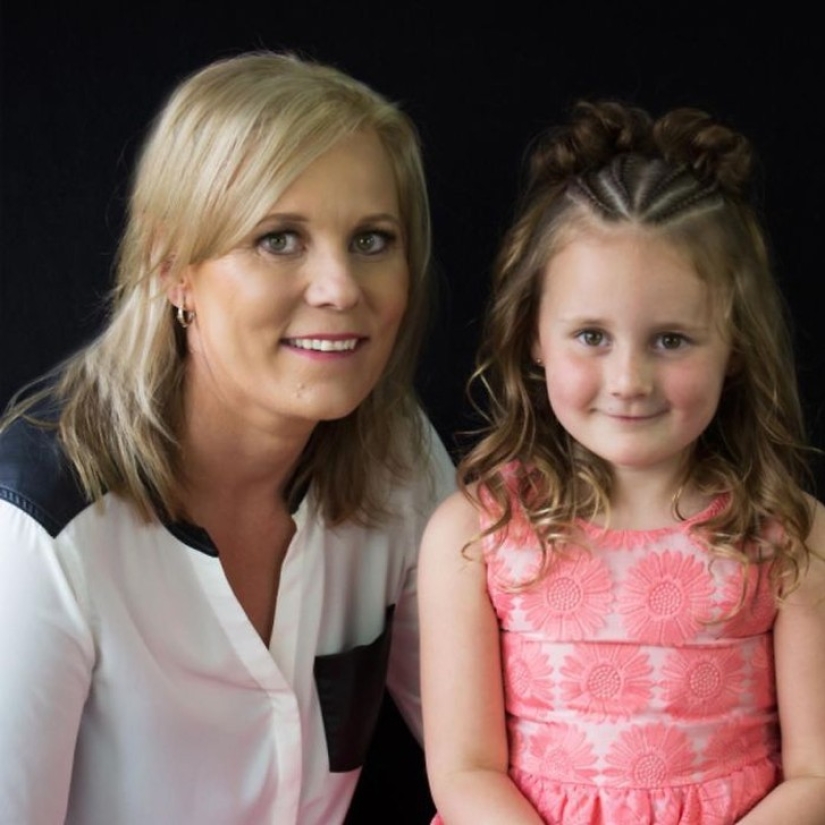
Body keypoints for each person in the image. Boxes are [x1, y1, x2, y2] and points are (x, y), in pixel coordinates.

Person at [0, 50, 455, 824]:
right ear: (172, 264)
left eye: (372, 239)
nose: (341, 287)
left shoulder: (399, 456)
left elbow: (518, 736)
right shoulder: (39, 532)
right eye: (279, 238)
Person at [418, 99, 825, 824]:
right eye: (590, 336)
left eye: (670, 339)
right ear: (533, 336)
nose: (628, 378)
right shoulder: (474, 537)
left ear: (733, 346)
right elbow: (462, 767)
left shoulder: (789, 536)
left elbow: (816, 774)